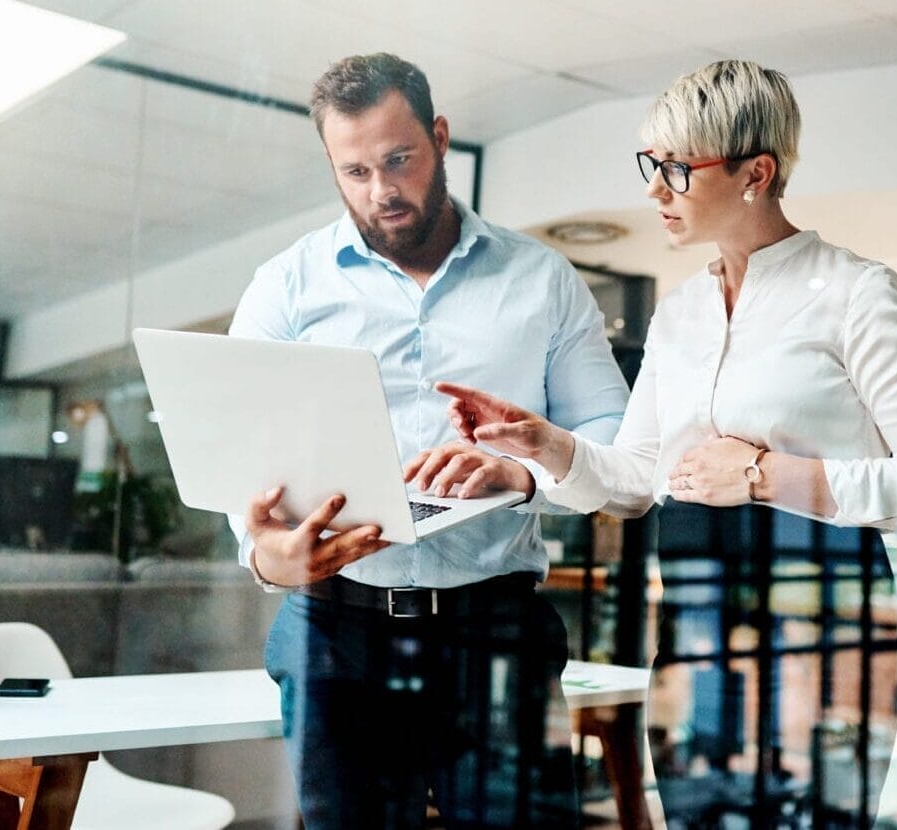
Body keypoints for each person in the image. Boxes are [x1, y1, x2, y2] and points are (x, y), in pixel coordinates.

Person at [408, 60, 897, 826]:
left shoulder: (856, 293)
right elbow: (637, 478)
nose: (656, 190)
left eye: (677, 168)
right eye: (651, 165)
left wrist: (762, 474)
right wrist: (544, 444)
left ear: (756, 174)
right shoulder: (680, 313)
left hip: (822, 621)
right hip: (694, 614)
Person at [229, 53, 630, 828]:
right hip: (331, 630)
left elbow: (612, 445)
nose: (380, 190)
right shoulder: (285, 286)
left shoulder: (542, 280)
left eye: (399, 160)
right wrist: (265, 554)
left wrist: (522, 470)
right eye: (354, 172)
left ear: (440, 138)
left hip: (495, 628)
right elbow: (241, 449)